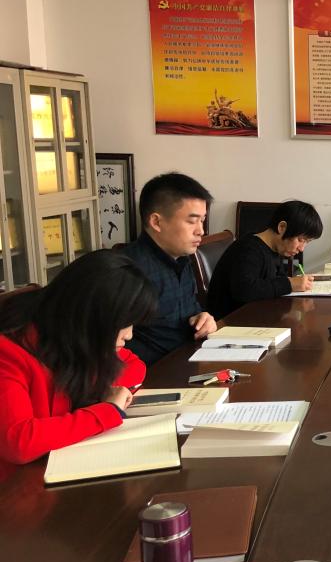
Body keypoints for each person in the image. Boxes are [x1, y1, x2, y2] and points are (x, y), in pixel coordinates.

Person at [0, 250, 157, 466]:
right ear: (89, 315)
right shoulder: (9, 352)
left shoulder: (74, 339)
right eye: (123, 323)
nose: (129, 335)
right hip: (19, 481)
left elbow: (134, 365)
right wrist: (106, 411)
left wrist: (98, 389)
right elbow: (19, 442)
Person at [123, 172, 217, 365]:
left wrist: (203, 319)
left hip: (188, 362)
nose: (201, 231)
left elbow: (190, 313)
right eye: (192, 221)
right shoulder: (128, 271)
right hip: (155, 373)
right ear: (156, 222)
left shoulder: (182, 258)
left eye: (202, 220)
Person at [206, 200, 323, 319]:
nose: (302, 248)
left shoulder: (274, 250)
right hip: (229, 322)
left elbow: (276, 280)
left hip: (255, 316)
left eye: (307, 242)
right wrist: (289, 284)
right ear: (282, 227)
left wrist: (293, 282)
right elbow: (244, 290)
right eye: (300, 240)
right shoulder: (248, 249)